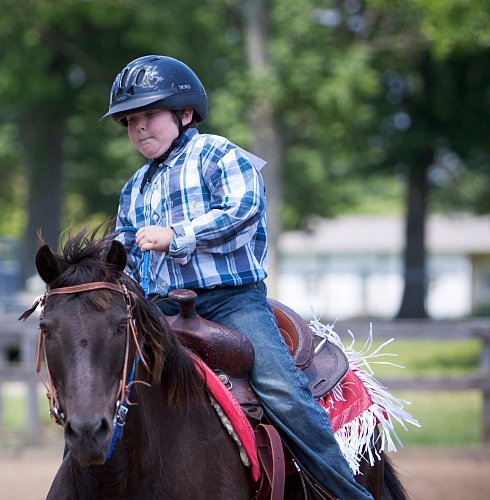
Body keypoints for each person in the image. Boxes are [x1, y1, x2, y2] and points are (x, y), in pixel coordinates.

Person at [104, 54, 373, 499]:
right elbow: (127, 251)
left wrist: (177, 235)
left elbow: (244, 211)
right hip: (158, 305)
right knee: (102, 382)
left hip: (231, 301)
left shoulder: (217, 153)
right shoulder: (134, 187)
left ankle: (347, 492)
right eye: (131, 120)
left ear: (184, 114)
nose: (139, 128)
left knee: (280, 388)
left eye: (149, 115)